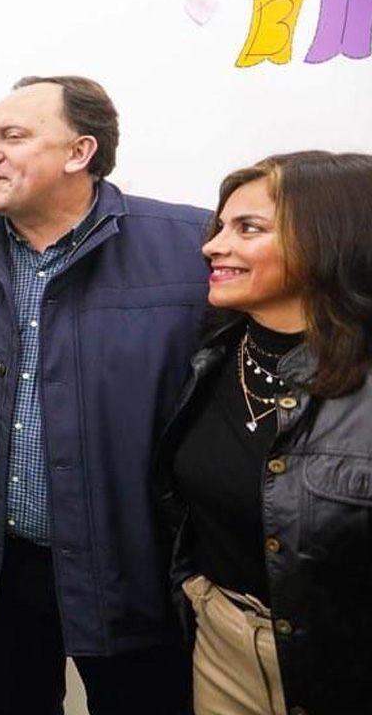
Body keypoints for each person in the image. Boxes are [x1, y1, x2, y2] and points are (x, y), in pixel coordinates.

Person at [0, 75, 209, 714]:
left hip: (133, 563)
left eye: (13, 137)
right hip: (0, 566)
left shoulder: (192, 250)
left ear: (80, 152)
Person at [155, 151, 372, 715]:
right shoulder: (212, 356)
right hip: (223, 651)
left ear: (328, 241)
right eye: (220, 227)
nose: (212, 245)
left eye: (247, 228)